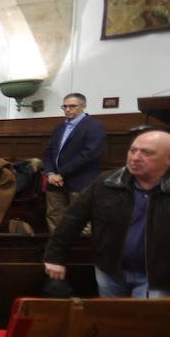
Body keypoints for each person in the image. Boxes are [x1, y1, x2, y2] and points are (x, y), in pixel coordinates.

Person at [43, 129, 170, 337]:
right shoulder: (107, 182)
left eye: (147, 153)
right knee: (116, 329)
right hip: (111, 270)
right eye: (133, 150)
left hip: (160, 275)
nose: (135, 157)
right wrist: (55, 256)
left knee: (140, 331)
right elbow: (72, 219)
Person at [42, 92, 107, 232]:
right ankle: (56, 251)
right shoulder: (59, 128)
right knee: (55, 216)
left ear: (83, 106)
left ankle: (80, 253)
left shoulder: (94, 126)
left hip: (80, 181)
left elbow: (89, 154)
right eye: (64, 106)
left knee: (81, 219)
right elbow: (48, 153)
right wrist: (51, 173)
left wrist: (61, 173)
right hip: (54, 182)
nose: (67, 110)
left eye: (72, 106)